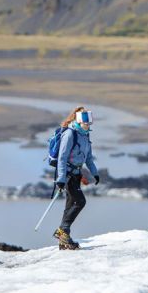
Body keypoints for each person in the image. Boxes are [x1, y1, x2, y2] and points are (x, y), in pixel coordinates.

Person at [53, 107, 99, 250]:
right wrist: (60, 179)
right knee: (80, 201)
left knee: (70, 204)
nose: (88, 125)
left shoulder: (85, 135)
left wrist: (94, 172)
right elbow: (62, 157)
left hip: (77, 174)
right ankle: (62, 230)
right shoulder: (70, 134)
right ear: (79, 121)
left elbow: (89, 157)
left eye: (89, 123)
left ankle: (64, 240)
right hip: (67, 175)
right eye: (86, 122)